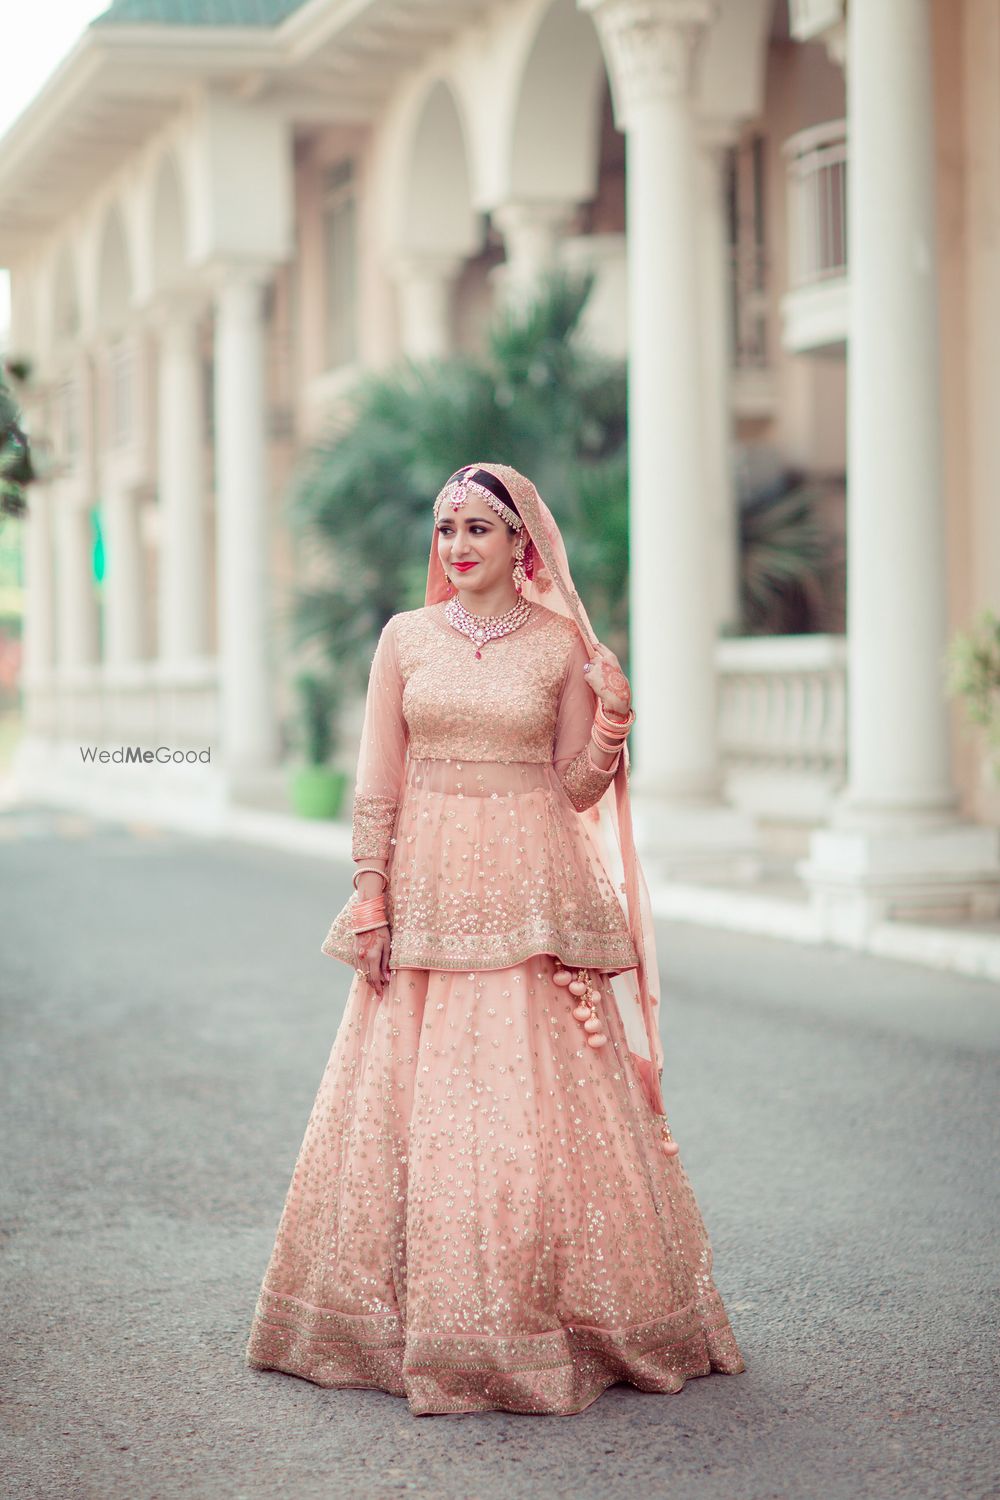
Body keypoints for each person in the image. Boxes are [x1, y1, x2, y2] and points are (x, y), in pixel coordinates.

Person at [245, 462, 746, 1416]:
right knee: (412, 1101)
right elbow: (379, 777)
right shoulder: (406, 639)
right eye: (448, 530)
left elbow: (574, 788)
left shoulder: (559, 646)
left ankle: (553, 1316)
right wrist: (371, 896)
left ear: (524, 544)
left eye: (481, 527)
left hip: (529, 897)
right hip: (429, 891)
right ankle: (404, 1321)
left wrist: (614, 717)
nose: (460, 546)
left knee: (530, 1104)